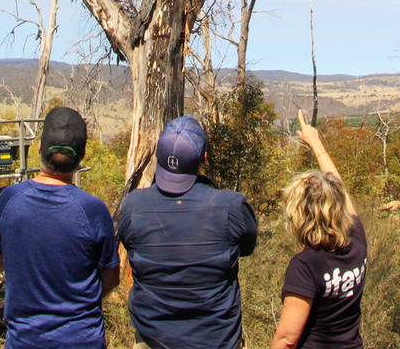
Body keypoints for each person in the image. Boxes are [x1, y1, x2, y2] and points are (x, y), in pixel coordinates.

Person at [117, 114, 259, 349]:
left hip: (152, 340)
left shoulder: (134, 206)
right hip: (216, 339)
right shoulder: (231, 207)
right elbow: (247, 247)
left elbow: (129, 244)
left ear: (159, 156)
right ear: (204, 157)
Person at [0, 106, 119, 349]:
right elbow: (110, 278)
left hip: (25, 340)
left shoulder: (9, 201)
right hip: (81, 339)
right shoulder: (93, 211)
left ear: (39, 149)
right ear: (82, 155)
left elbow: (1, 263)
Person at [271, 109, 368, 349]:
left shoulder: (305, 266)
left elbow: (287, 339)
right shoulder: (356, 237)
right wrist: (317, 144)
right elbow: (341, 192)